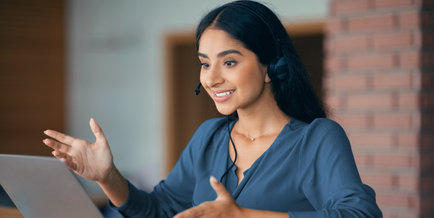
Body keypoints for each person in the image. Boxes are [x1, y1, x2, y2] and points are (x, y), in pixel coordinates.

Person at [43, 1, 382, 217]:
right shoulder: (209, 137)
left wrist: (245, 216)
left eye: (229, 62)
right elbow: (161, 210)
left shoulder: (317, 139)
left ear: (269, 67)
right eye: (205, 64)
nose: (212, 78)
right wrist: (108, 176)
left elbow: (360, 214)